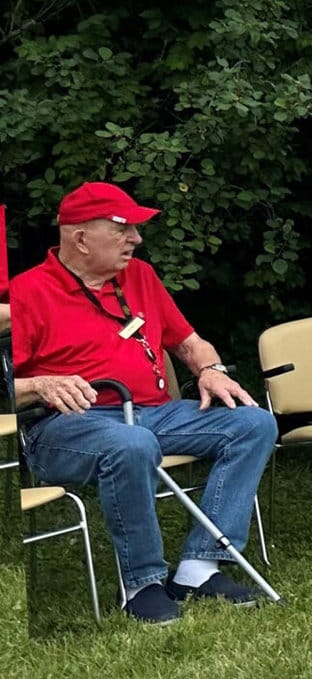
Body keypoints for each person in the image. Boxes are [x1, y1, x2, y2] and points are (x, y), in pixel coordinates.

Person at [13, 182, 280, 621]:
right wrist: (41, 383)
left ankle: (198, 566)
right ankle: (142, 583)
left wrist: (211, 370)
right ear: (81, 239)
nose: (136, 239)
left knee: (253, 424)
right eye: (123, 229)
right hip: (67, 426)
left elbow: (191, 342)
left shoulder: (140, 276)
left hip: (151, 412)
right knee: (131, 444)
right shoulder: (28, 292)